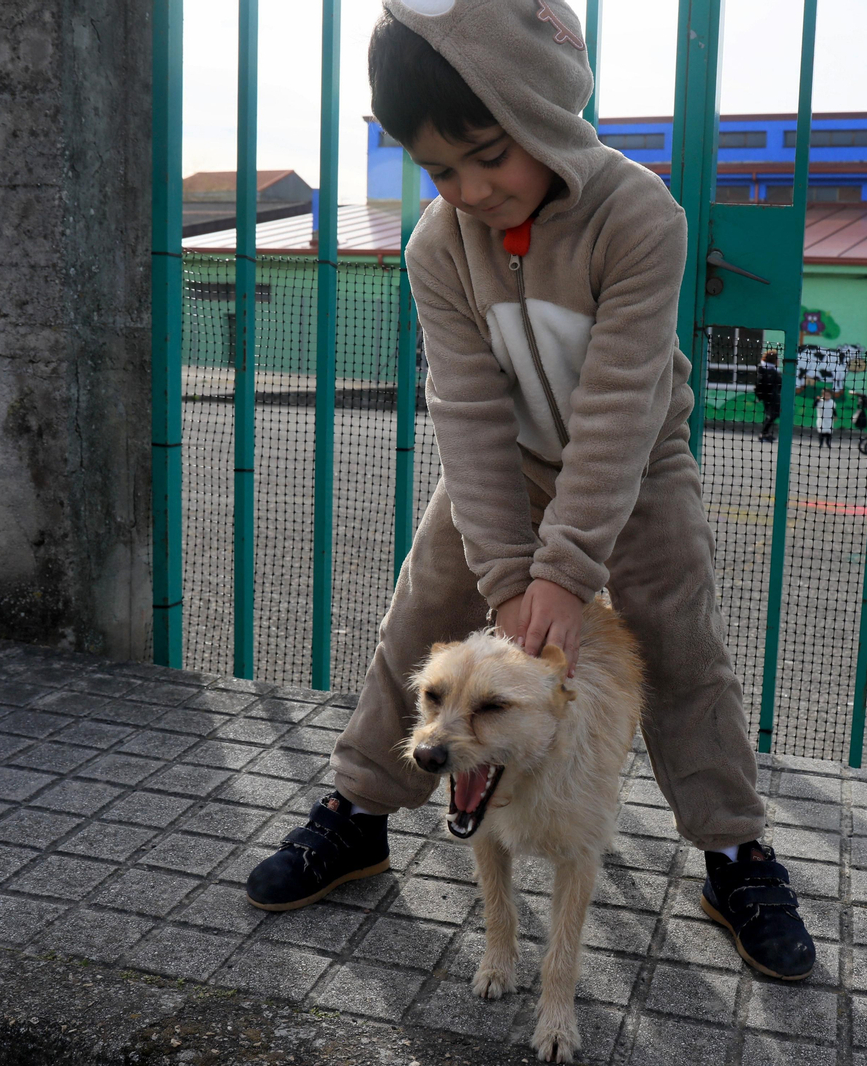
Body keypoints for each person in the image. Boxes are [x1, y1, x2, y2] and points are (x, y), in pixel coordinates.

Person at [244, 1, 815, 983]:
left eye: (486, 154)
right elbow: (464, 409)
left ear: (542, 106)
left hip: (634, 463)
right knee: (419, 614)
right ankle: (361, 809)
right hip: (505, 463)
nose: (469, 190)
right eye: (440, 170)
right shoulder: (438, 246)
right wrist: (510, 574)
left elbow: (617, 408)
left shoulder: (639, 216)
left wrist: (561, 572)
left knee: (680, 643)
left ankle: (733, 853)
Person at [755, 350, 783, 443]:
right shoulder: (770, 371)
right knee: (773, 414)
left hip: (770, 396)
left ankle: (765, 433)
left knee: (771, 414)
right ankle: (764, 433)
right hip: (771, 396)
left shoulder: (765, 369)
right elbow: (764, 384)